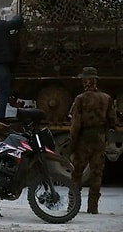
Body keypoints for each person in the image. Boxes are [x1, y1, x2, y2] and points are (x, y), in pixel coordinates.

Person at [69, 67, 116, 214]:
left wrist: (72, 144)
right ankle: (93, 208)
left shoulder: (80, 99)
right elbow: (112, 121)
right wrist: (105, 137)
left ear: (85, 81)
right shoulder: (107, 98)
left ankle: (73, 207)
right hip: (99, 139)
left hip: (84, 139)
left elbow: (75, 124)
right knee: (96, 174)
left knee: (77, 173)